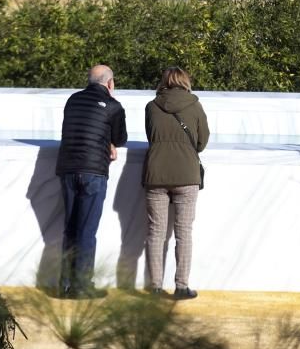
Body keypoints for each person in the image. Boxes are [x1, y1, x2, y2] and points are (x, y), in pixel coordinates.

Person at [55, 64, 127, 299]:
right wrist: (110, 142)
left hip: (67, 169)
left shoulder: (72, 100)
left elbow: (80, 127)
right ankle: (83, 286)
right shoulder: (113, 106)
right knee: (87, 231)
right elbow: (121, 138)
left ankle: (65, 284)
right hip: (93, 171)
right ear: (110, 83)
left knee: (70, 228)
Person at [142, 67, 209, 301]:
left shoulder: (151, 106)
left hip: (156, 174)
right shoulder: (195, 105)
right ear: (185, 81)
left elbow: (151, 137)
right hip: (186, 175)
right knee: (184, 233)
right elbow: (201, 142)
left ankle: (155, 288)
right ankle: (181, 286)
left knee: (155, 232)